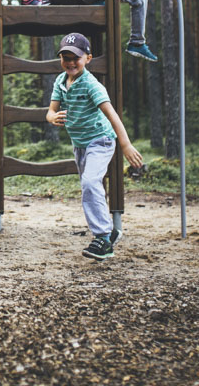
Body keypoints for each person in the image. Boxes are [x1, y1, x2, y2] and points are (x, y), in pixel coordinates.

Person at [45, 32, 144, 261]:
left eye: (75, 57)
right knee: (88, 187)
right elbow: (50, 110)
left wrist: (126, 144)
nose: (70, 62)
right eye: (65, 57)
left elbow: (112, 114)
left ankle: (102, 239)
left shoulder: (92, 85)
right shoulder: (60, 81)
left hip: (101, 140)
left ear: (88, 58)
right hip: (80, 144)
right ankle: (111, 231)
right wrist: (52, 118)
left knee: (90, 183)